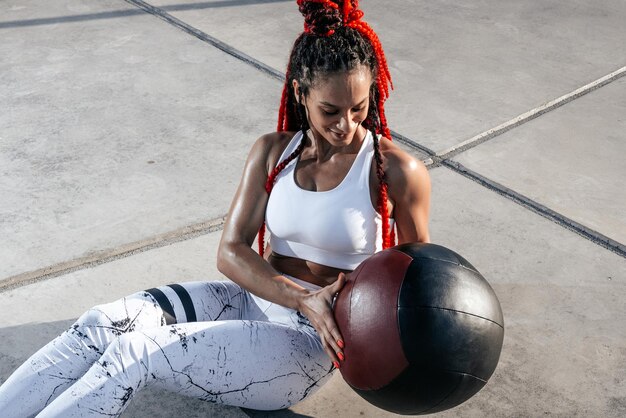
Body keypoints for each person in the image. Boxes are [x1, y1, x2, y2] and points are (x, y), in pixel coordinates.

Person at [0, 1, 430, 416]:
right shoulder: (274, 153)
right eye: (330, 110)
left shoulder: (392, 169)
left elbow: (418, 284)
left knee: (136, 353)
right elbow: (230, 251)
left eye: (360, 107)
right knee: (98, 326)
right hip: (249, 300)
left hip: (311, 342)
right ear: (300, 93)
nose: (347, 124)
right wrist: (302, 298)